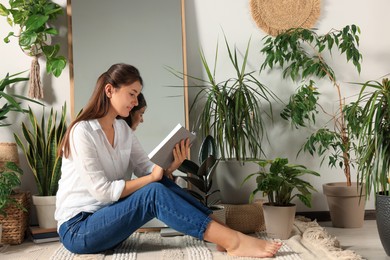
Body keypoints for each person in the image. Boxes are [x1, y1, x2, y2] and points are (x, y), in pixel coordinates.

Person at [55, 63, 282, 258]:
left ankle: (225, 235)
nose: (135, 102)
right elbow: (102, 192)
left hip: (109, 221)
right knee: (152, 191)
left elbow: (147, 170)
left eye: (137, 95)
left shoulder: (123, 132)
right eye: (132, 93)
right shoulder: (82, 132)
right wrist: (153, 177)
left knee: (158, 184)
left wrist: (172, 164)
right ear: (109, 90)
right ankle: (235, 241)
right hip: (79, 229)